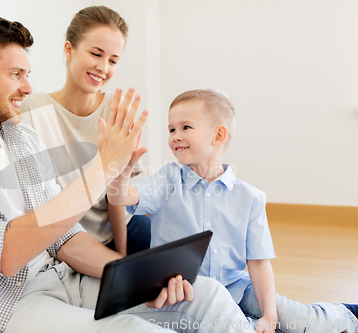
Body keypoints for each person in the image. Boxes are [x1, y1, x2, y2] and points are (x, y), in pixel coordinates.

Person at [0, 15, 256, 333]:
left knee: (206, 295)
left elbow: (64, 234)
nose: (28, 87)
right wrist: (104, 167)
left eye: (27, 75)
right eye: (16, 74)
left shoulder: (21, 137)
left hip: (58, 277)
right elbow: (4, 253)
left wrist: (136, 276)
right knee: (135, 330)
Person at [107, 89, 358, 333]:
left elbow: (258, 262)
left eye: (185, 127)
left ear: (218, 136)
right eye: (171, 129)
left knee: (299, 320)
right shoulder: (166, 182)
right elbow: (119, 196)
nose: (175, 136)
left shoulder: (250, 198)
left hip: (239, 289)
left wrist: (269, 314)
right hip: (190, 296)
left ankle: (348, 315)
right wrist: (123, 170)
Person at [21, 6, 150, 256]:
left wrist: (121, 255)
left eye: (113, 60)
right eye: (96, 54)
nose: (103, 67)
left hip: (118, 231)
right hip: (62, 240)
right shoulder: (32, 110)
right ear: (70, 50)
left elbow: (116, 194)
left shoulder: (116, 109)